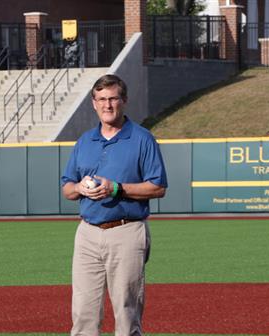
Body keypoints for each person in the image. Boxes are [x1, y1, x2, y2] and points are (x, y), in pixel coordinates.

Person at [61, 74, 168, 335]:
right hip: (87, 232)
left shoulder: (142, 139)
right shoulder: (85, 141)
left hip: (126, 230)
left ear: (124, 101)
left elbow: (158, 187)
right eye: (101, 99)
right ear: (93, 103)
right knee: (83, 312)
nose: (107, 105)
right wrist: (78, 188)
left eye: (113, 99)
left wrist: (116, 188)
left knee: (126, 311)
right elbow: (67, 187)